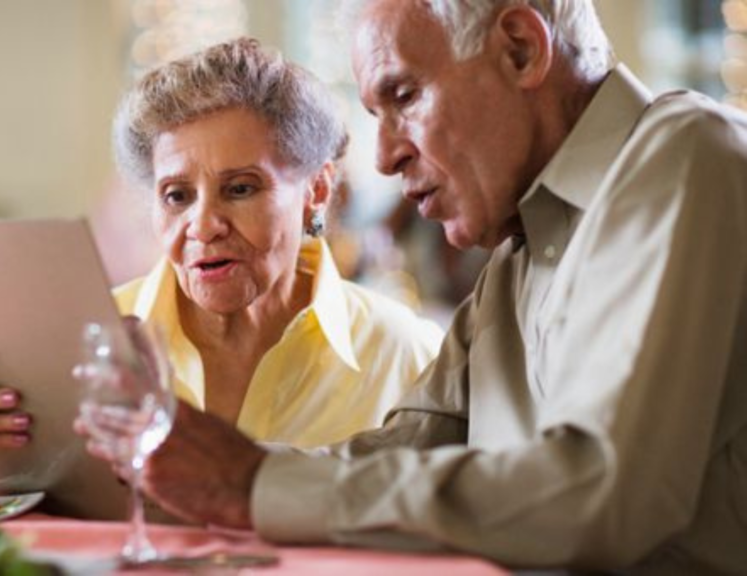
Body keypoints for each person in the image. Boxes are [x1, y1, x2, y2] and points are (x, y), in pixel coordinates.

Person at [78, 1, 747, 573]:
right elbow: (405, 445)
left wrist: (249, 482)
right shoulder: (519, 251)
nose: (384, 154)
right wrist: (172, 477)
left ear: (519, 50)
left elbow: (602, 490)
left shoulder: (685, 154)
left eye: (404, 97)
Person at [0, 38, 444, 492]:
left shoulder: (410, 358)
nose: (203, 224)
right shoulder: (70, 345)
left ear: (317, 188)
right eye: (176, 196)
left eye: (240, 189)